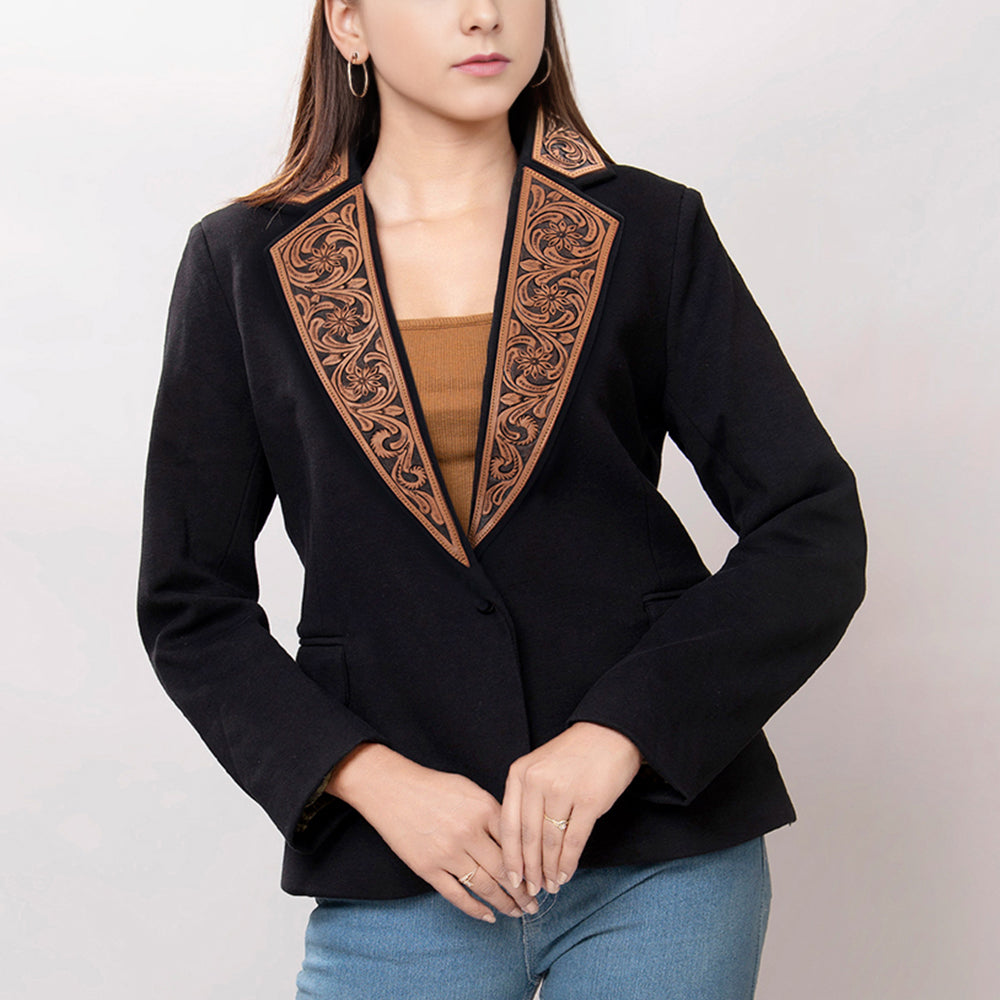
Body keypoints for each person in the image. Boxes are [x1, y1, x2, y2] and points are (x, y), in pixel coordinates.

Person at [137, 1, 867, 997]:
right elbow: (190, 603)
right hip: (401, 869)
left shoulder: (649, 229)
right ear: (348, 23)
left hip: (661, 856)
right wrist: (370, 777)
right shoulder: (244, 262)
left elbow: (809, 525)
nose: (483, 14)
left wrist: (621, 733)